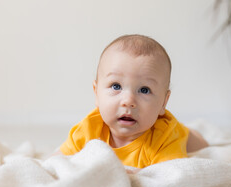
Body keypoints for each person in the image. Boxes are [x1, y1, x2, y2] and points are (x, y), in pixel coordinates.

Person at [56, 34, 208, 169]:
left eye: (144, 90)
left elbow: (169, 179)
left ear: (163, 103)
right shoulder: (88, 130)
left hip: (182, 135)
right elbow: (55, 162)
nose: (128, 101)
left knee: (198, 142)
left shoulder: (164, 139)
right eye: (116, 86)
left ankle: (191, 132)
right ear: (96, 93)